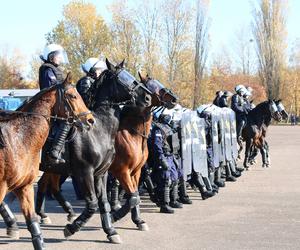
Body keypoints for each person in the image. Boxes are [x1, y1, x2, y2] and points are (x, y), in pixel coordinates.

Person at [38, 44, 70, 164]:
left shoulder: (56, 69)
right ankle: (54, 152)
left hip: (59, 103)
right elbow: (51, 88)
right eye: (58, 56)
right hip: (50, 104)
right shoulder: (47, 69)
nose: (60, 58)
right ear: (51, 57)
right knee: (66, 121)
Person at [151, 114, 183, 213]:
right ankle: (164, 204)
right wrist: (161, 158)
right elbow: (157, 145)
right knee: (166, 180)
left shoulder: (169, 127)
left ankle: (173, 200)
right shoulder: (158, 129)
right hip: (164, 156)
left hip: (171, 155)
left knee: (175, 178)